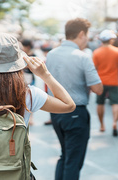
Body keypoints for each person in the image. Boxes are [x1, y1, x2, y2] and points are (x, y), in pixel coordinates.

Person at [46, 18, 103, 180]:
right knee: (73, 160)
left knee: (65, 155)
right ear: (81, 34)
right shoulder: (82, 57)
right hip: (76, 112)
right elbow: (98, 89)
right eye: (87, 35)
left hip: (56, 113)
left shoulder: (51, 54)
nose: (87, 40)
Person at [92, 30, 118, 136]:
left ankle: (102, 125)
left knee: (100, 103)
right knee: (116, 102)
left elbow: (94, 68)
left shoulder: (96, 52)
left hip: (101, 82)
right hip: (114, 81)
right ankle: (115, 123)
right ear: (111, 40)